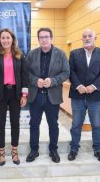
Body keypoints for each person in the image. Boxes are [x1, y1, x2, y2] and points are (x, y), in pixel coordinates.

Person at [26, 27, 70, 163]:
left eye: (46, 37)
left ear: (51, 38)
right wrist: (35, 81)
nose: (44, 39)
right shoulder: (32, 54)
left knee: (53, 124)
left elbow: (66, 73)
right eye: (41, 37)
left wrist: (53, 81)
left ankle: (53, 150)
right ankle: (34, 150)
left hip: (53, 96)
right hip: (36, 95)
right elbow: (25, 73)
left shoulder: (61, 54)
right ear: (38, 39)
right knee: (34, 124)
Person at [0, 28, 28, 166]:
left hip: (15, 94)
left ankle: (14, 151)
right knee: (0, 124)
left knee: (15, 124)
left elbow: (24, 76)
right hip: (0, 94)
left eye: (8, 38)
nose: (5, 40)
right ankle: (2, 152)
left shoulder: (19, 55)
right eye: (3, 38)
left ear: (12, 39)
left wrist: (24, 94)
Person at [68, 28, 100, 162]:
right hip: (78, 95)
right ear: (82, 39)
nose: (87, 38)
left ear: (95, 38)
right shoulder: (74, 53)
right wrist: (79, 86)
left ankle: (98, 150)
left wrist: (93, 86)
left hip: (96, 96)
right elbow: (70, 71)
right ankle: (74, 148)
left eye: (89, 36)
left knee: (96, 125)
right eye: (84, 36)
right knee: (76, 124)